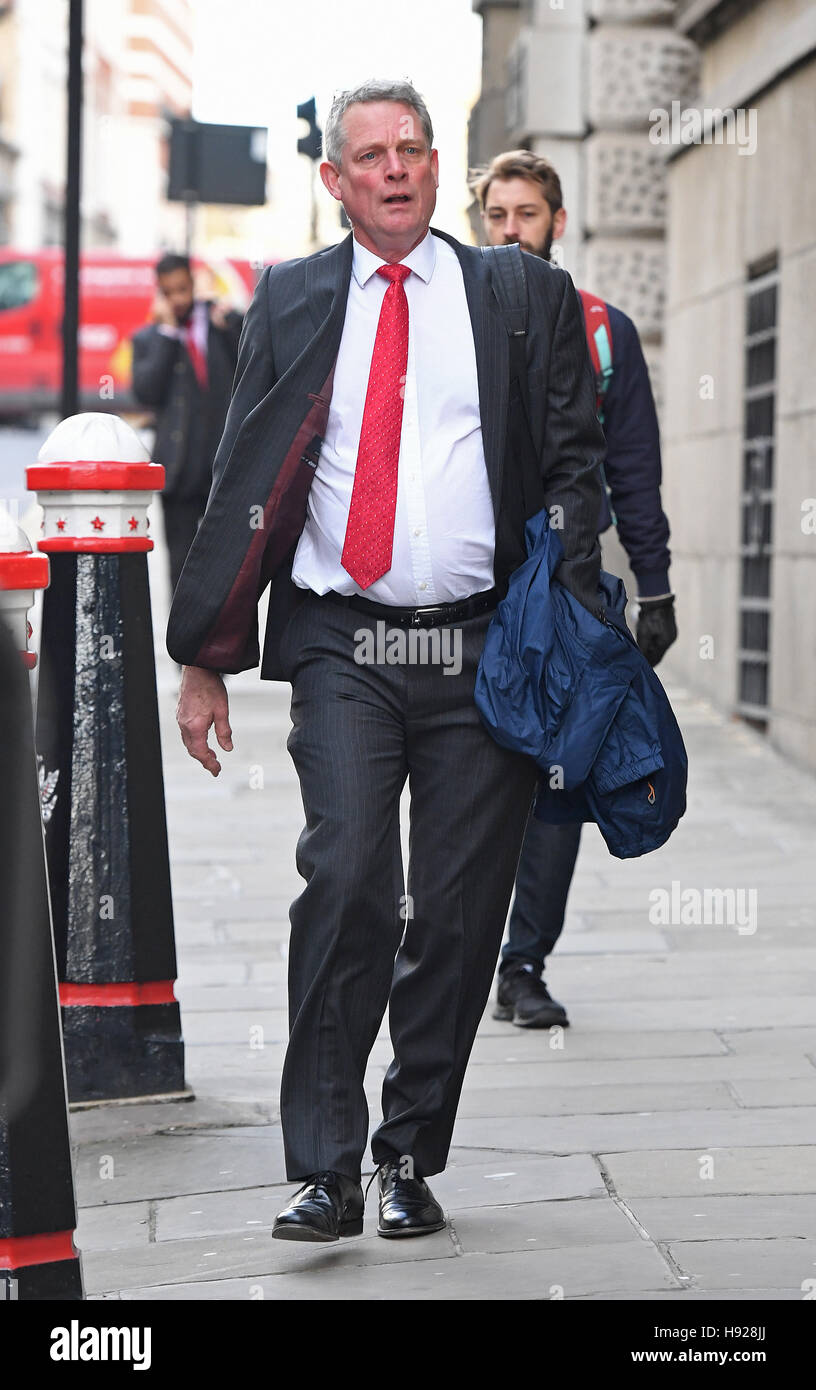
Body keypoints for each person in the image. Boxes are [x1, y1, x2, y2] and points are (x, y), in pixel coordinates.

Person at [167, 80, 607, 1243]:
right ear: (336, 181)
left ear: (433, 162)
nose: (397, 168)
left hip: (480, 649)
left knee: (458, 914)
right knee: (352, 876)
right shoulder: (296, 297)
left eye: (414, 148)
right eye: (372, 155)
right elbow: (242, 476)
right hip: (343, 640)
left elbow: (574, 466)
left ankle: (410, 1152)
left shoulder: (520, 296)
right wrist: (208, 653)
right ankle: (324, 1164)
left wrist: (567, 616)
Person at [474, 149, 677, 1029]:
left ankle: (523, 964)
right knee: (470, 772)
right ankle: (450, 946)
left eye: (528, 213)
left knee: (561, 773)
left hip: (568, 588)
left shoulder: (603, 332)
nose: (511, 229)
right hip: (471, 591)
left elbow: (635, 471)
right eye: (497, 215)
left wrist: (657, 589)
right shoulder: (454, 318)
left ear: (558, 221)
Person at [131, 253, 243, 597]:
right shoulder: (150, 338)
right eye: (169, 292)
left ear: (193, 284)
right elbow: (145, 393)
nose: (178, 298)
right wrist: (167, 334)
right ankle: (183, 639)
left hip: (222, 465)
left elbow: (252, 364)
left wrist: (231, 323)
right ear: (159, 293)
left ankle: (225, 637)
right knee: (179, 561)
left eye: (182, 288)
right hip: (178, 470)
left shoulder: (221, 321)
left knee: (228, 561)